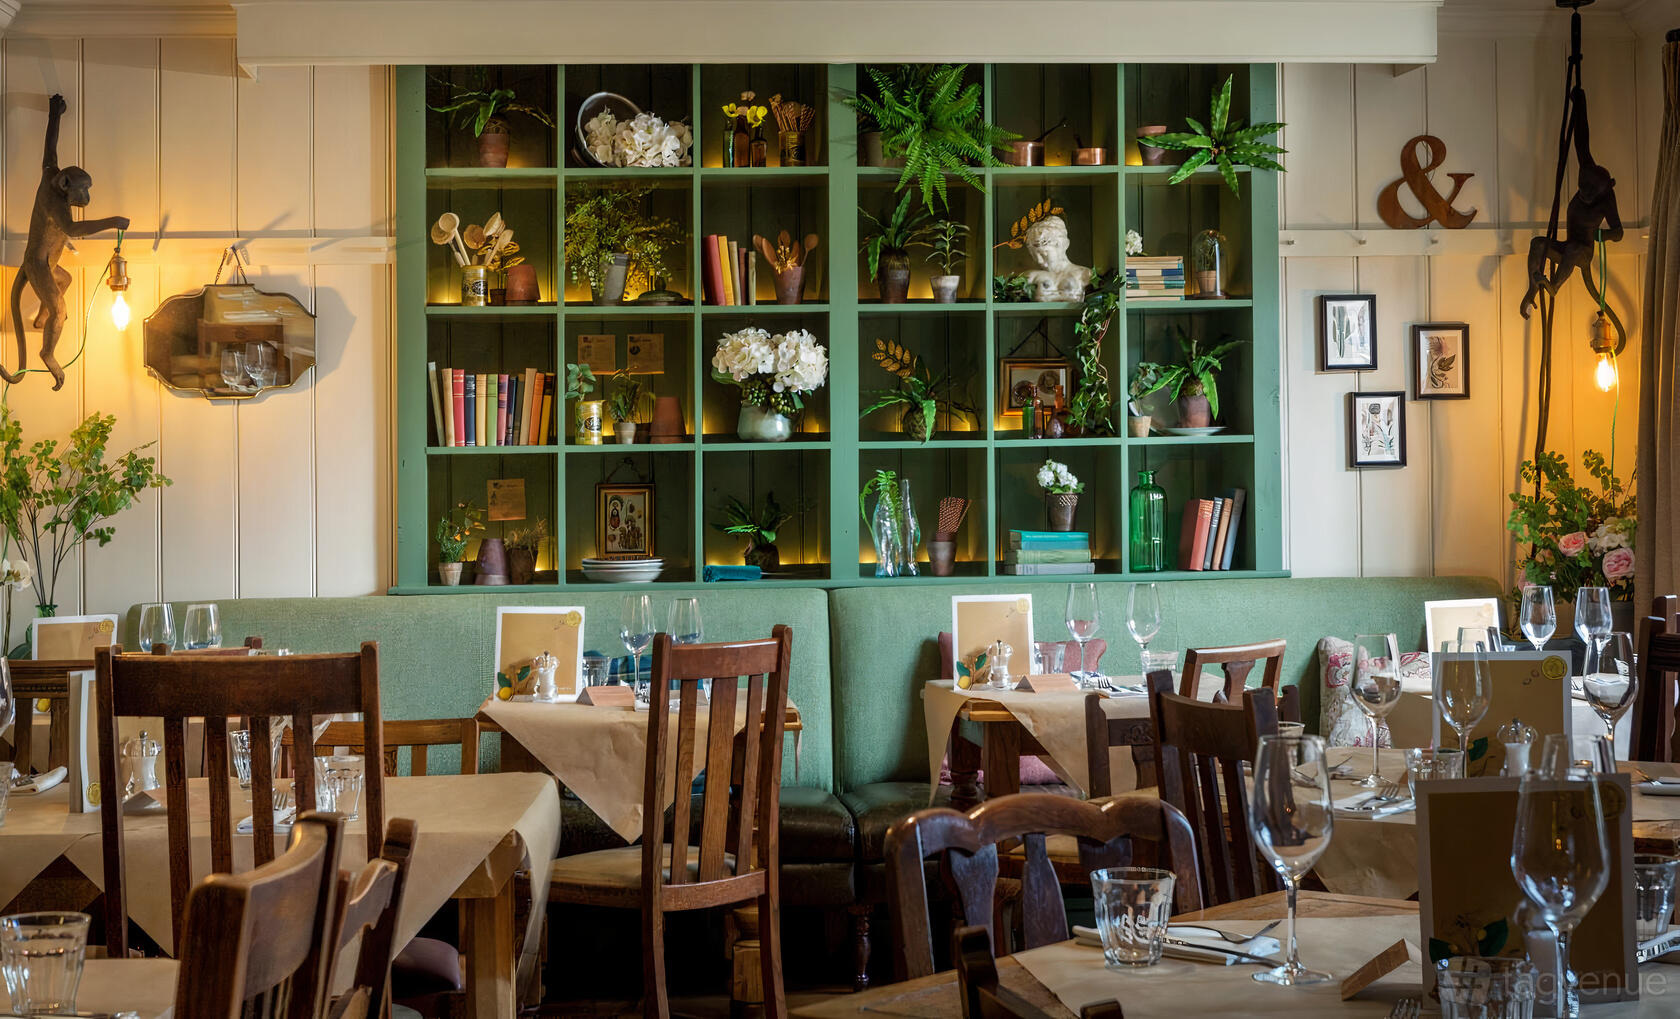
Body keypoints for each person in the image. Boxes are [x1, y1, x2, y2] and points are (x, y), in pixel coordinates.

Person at [1021, 214, 1092, 302]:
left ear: (1061, 245)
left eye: (1044, 253)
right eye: (1034, 255)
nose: (1039, 261)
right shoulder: (1030, 276)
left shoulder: (1084, 275)